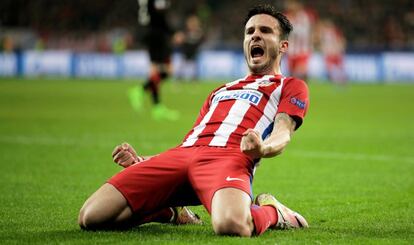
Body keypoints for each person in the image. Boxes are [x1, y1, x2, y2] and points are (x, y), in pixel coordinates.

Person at [78, 4, 310, 237]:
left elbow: (283, 132)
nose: (255, 35)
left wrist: (262, 147)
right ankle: (170, 211)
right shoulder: (220, 91)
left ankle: (274, 211)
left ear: (283, 46)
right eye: (250, 32)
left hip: (229, 158)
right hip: (183, 156)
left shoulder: (290, 86)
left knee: (231, 225)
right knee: (91, 216)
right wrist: (141, 160)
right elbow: (190, 144)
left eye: (265, 31)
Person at [128, 0, 179, 121]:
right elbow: (159, 16)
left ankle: (157, 107)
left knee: (157, 73)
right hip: (156, 37)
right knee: (165, 71)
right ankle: (140, 91)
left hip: (152, 35)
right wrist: (173, 32)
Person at [284, 0, 317, 80]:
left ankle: (304, 90)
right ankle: (295, 91)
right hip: (291, 51)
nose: (289, 5)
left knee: (301, 74)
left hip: (303, 51)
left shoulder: (307, 15)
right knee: (291, 76)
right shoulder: (286, 17)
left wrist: (313, 42)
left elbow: (313, 30)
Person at [316, 18, 347, 85]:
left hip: (334, 52)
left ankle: (341, 81)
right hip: (331, 53)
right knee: (332, 68)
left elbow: (341, 41)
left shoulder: (332, 32)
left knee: (337, 68)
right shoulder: (326, 33)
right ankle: (338, 81)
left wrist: (340, 48)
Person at [175, 14, 204, 81]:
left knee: (193, 68)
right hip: (185, 52)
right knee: (182, 67)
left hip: (193, 52)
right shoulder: (185, 31)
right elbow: (179, 39)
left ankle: (194, 79)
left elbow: (199, 40)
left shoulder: (198, 32)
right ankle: (179, 78)